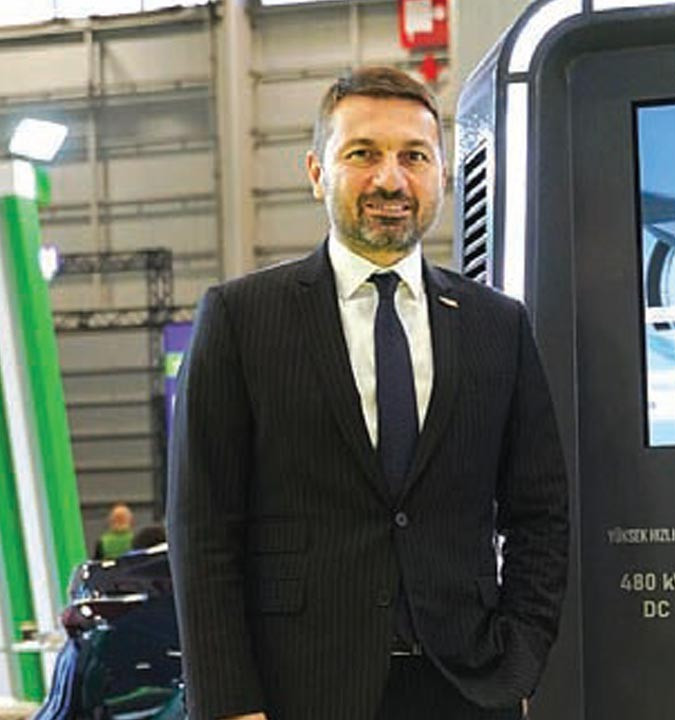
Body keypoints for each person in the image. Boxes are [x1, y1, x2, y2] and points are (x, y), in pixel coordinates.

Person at [166, 66, 569, 720]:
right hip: (298, 691)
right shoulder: (241, 319)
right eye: (362, 154)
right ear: (317, 171)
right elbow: (202, 526)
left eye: (414, 156)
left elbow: (541, 513)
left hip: (466, 690)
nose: (390, 180)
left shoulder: (498, 326)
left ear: (441, 174)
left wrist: (517, 663)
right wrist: (229, 704)